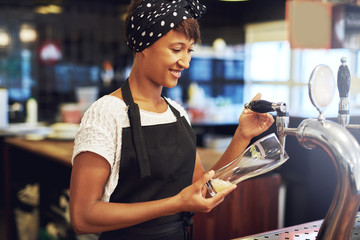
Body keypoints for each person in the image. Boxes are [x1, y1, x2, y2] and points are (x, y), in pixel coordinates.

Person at [69, 0, 274, 239]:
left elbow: (204, 188)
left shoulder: (177, 112)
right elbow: (83, 217)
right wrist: (176, 203)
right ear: (143, 45)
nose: (185, 62)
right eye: (176, 50)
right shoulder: (106, 114)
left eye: (189, 51)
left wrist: (242, 135)